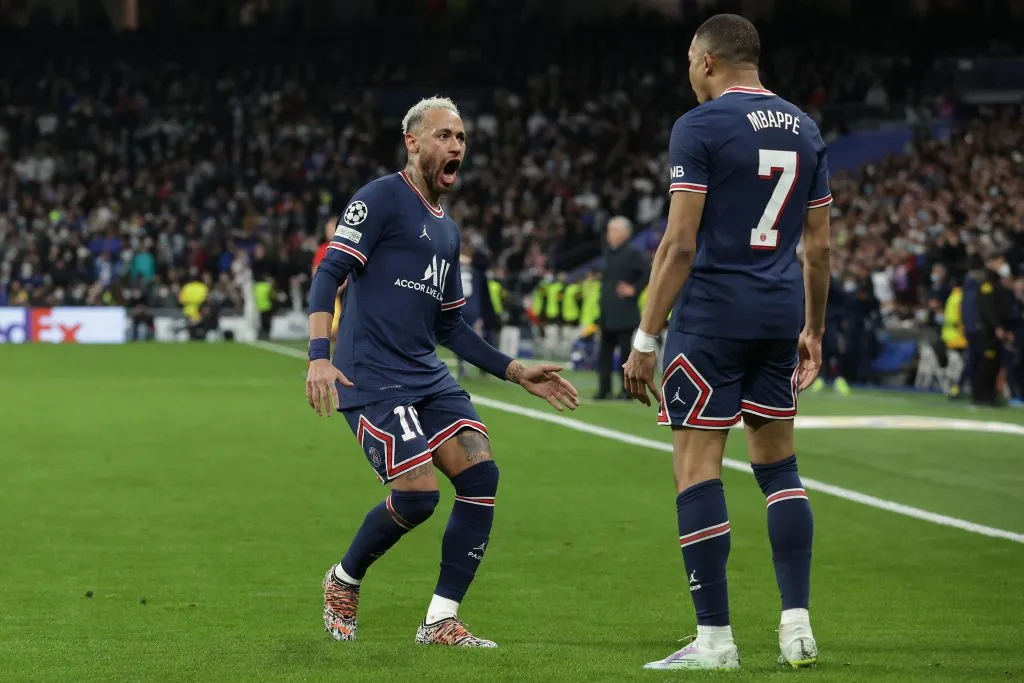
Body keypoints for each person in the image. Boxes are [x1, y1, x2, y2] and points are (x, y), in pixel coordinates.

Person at [305, 96, 580, 648]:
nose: (456, 145)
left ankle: (440, 621)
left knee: (481, 475)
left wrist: (515, 370)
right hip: (373, 376)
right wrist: (317, 354)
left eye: (461, 138)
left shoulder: (448, 232)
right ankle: (343, 579)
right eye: (444, 136)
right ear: (413, 142)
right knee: (418, 497)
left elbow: (451, 328)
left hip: (425, 375)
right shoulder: (381, 198)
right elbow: (329, 271)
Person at [621, 14, 832, 671]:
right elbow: (818, 246)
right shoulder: (806, 127)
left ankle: (714, 640)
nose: (688, 73)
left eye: (689, 61)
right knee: (779, 469)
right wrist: (814, 329)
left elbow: (680, 242)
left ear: (707, 61)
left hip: (711, 319)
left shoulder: (700, 126)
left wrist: (645, 335)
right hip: (777, 317)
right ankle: (797, 625)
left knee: (696, 469)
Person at [596, 216, 649, 399]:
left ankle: (627, 391)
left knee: (626, 355)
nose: (609, 234)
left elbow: (647, 272)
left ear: (624, 233)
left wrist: (634, 289)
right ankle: (604, 388)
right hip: (607, 313)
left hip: (624, 313)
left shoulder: (633, 253)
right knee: (604, 354)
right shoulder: (608, 252)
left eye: (613, 230)